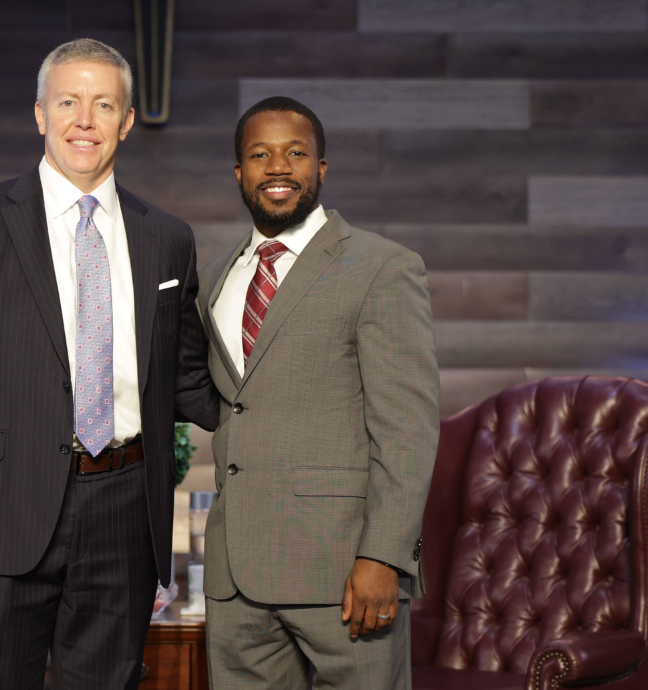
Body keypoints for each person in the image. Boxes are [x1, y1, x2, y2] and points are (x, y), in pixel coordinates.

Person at [0, 38, 218, 689]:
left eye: (104, 105)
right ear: (40, 113)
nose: (85, 120)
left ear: (127, 121)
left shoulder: (167, 239)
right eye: (69, 102)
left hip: (126, 513)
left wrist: (285, 396)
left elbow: (188, 379)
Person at [196, 96, 440, 689]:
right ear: (239, 172)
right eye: (260, 154)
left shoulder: (383, 267)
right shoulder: (218, 277)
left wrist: (384, 555)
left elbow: (406, 428)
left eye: (296, 153)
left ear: (321, 168)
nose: (277, 167)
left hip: (344, 574)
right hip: (235, 581)